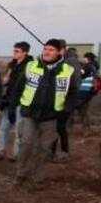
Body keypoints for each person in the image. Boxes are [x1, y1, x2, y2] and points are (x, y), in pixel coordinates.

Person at [15, 38, 79, 186]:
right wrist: (15, 105)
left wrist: (66, 111)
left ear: (59, 52)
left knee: (44, 148)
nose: (47, 52)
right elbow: (18, 87)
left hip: (51, 116)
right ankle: (21, 173)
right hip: (30, 113)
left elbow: (73, 93)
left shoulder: (67, 71)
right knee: (26, 143)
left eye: (51, 50)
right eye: (45, 49)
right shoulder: (31, 66)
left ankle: (38, 178)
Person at [0, 41, 31, 161]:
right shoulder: (12, 65)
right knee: (4, 128)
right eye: (14, 50)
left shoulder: (30, 66)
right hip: (8, 100)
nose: (14, 53)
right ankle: (1, 151)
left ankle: (16, 155)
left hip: (20, 102)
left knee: (19, 130)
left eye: (17, 51)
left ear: (25, 52)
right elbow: (5, 82)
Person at [71, 51, 99, 132]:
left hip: (84, 90)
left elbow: (80, 74)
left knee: (78, 109)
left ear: (87, 58)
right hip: (89, 91)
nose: (83, 59)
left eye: (84, 57)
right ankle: (86, 128)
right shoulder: (94, 66)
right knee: (83, 109)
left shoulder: (87, 67)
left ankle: (84, 129)